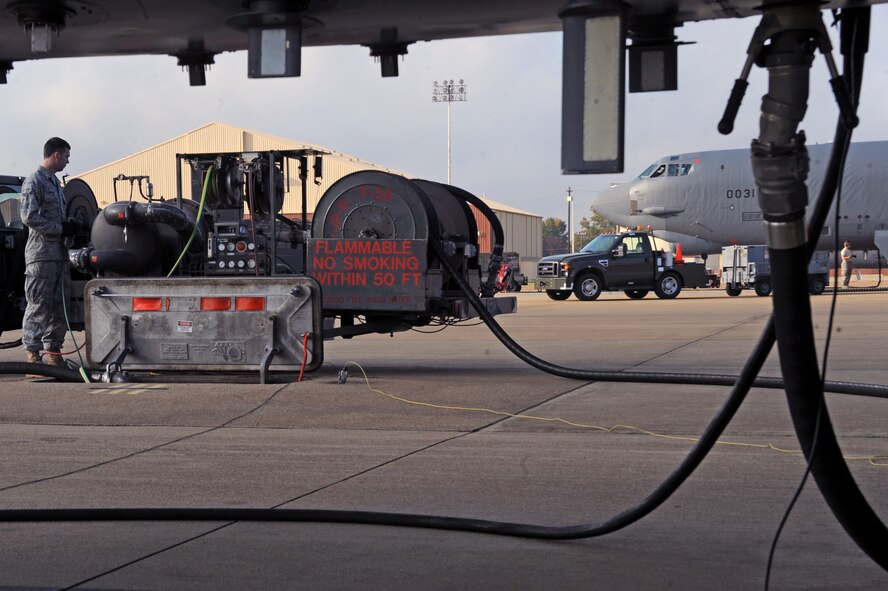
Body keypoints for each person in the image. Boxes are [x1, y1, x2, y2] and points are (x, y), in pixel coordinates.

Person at [20, 137, 78, 368]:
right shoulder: (35, 181)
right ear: (55, 155)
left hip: (59, 256)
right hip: (41, 255)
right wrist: (59, 229)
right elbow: (29, 216)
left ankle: (53, 353)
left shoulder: (55, 183)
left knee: (58, 305)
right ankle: (32, 357)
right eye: (66, 156)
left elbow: (57, 217)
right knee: (39, 305)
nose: (67, 161)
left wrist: (70, 225)